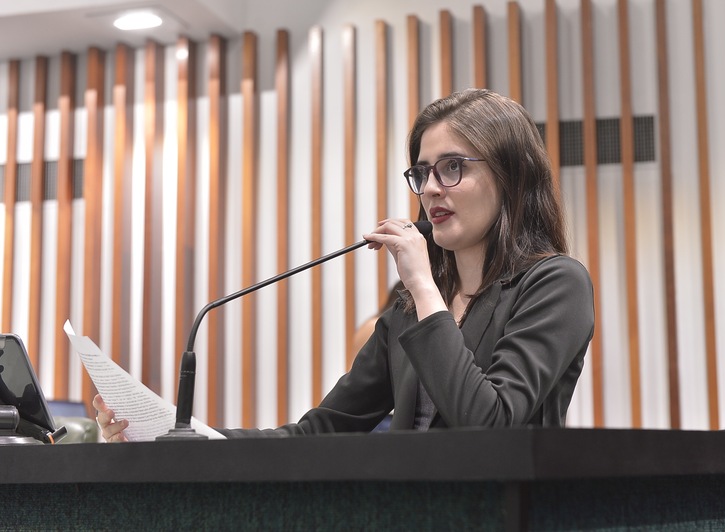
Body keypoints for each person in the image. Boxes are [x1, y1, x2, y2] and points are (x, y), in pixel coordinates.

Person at [95, 88, 595, 441]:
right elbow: (319, 432)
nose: (431, 189)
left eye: (452, 168)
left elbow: (489, 424)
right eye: (422, 173)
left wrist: (423, 286)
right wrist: (178, 438)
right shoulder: (409, 311)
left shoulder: (555, 284)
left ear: (510, 176)